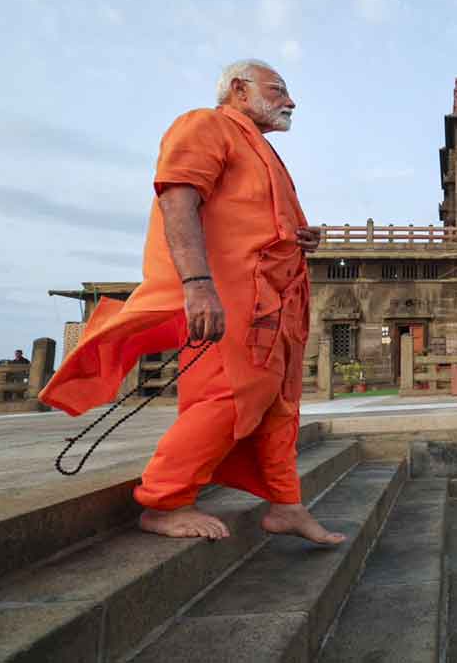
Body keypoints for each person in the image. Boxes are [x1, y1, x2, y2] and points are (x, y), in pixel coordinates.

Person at [42, 60, 343, 545]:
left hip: (275, 304)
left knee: (279, 403)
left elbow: (250, 219)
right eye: (278, 90)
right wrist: (197, 284)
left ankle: (286, 504)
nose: (290, 101)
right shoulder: (206, 125)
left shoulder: (259, 149)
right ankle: (164, 501)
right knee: (226, 397)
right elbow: (177, 198)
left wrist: (299, 236)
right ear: (240, 90)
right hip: (229, 296)